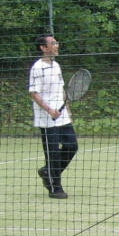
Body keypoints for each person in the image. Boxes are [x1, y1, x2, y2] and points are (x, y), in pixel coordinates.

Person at [29, 34, 78, 199]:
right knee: (53, 154)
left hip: (62, 117)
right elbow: (34, 93)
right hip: (47, 119)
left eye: (56, 43)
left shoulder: (56, 66)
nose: (57, 45)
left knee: (72, 146)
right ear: (43, 48)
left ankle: (47, 172)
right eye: (53, 43)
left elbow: (62, 90)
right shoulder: (37, 68)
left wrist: (68, 111)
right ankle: (55, 188)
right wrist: (50, 110)